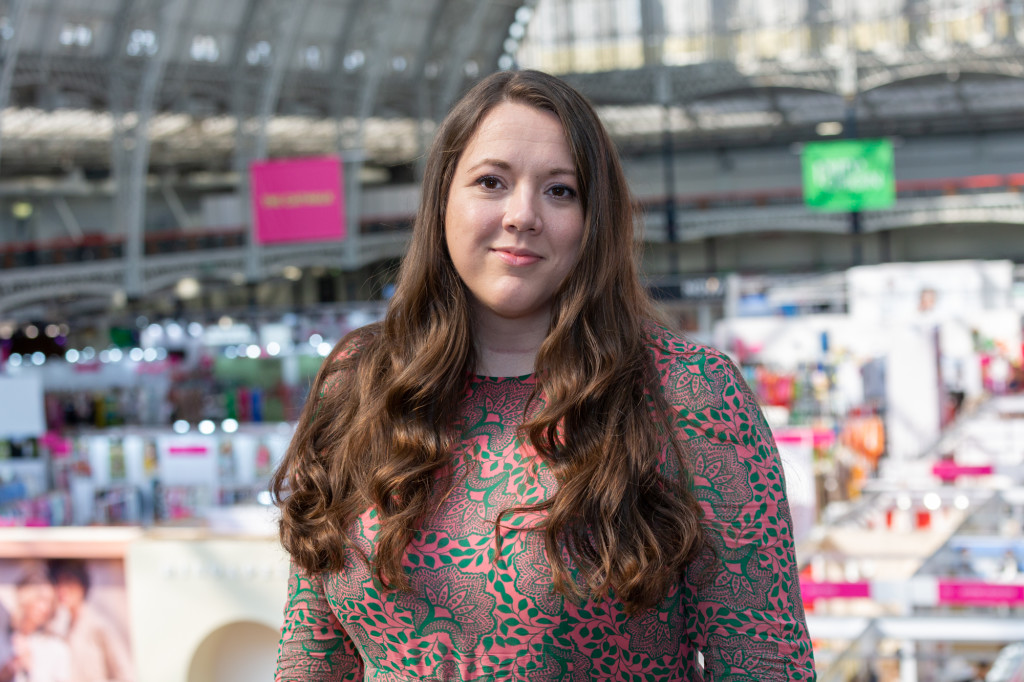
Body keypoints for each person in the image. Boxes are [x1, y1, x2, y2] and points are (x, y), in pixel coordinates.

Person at [272, 69, 815, 680]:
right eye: (491, 182)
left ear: (594, 220)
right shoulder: (359, 383)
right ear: (441, 200)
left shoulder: (686, 392)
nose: (521, 215)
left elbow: (764, 662)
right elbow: (309, 651)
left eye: (560, 191)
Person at [48, 560, 134, 682]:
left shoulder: (99, 625)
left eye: (68, 582)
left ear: (82, 584)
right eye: (58, 583)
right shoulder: (63, 628)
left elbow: (126, 675)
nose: (62, 590)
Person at [9, 570, 71, 682]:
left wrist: (31, 670)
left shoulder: (56, 647)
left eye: (50, 602)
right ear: (25, 597)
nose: (45, 608)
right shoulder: (5, 640)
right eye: (40, 599)